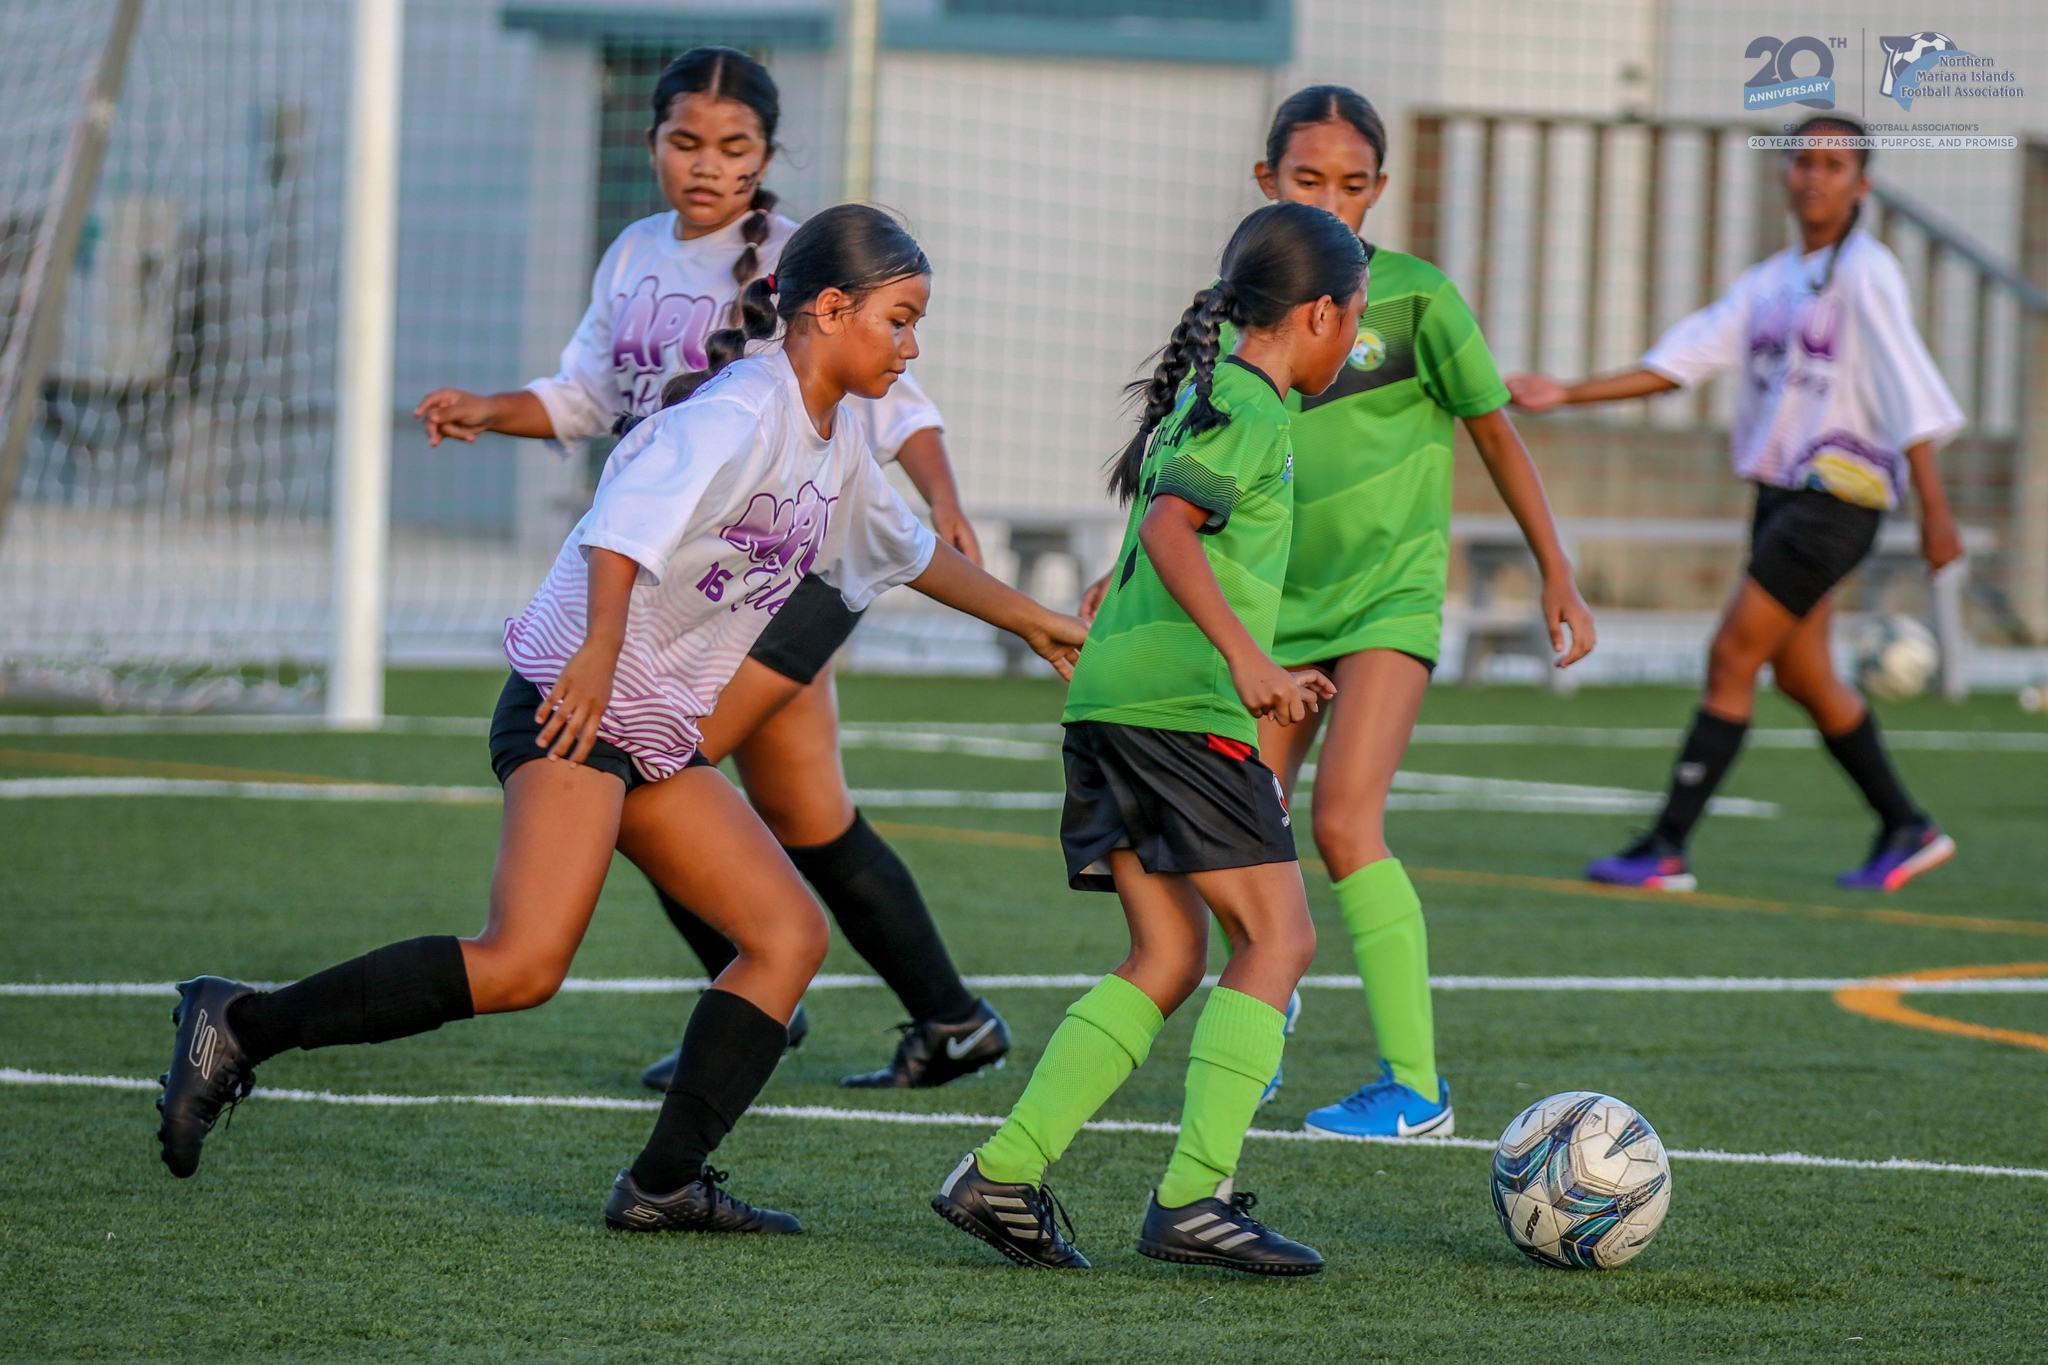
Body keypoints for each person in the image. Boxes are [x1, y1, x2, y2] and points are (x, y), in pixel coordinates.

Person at [155, 207, 1089, 1239]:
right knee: (521, 964)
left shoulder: (841, 445)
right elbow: (621, 519)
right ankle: (240, 1024)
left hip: (650, 733)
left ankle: (662, 1184)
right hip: (575, 706)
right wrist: (599, 649)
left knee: (784, 937)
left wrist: (1038, 622)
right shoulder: (740, 411)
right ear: (829, 310)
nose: (911, 347)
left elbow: (912, 552)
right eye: (899, 320)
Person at [414, 48, 1011, 1090]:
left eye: (734, 148)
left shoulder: (801, 259)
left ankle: (759, 995)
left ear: (768, 156)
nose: (708, 165)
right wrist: (489, 408)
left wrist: (944, 501)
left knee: (649, 770)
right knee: (805, 815)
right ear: (650, 143)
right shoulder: (633, 254)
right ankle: (946, 1019)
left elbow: (898, 411)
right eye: (686, 142)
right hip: (696, 584)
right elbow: (586, 396)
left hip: (787, 573)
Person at [1081, 87, 1596, 1141]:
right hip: (1268, 617)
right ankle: (1259, 1031)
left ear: (1380, 189)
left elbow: (1495, 434)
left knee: (1343, 821)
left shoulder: (1411, 301)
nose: (1331, 200)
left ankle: (1415, 1085)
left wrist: (1556, 568)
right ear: (1264, 181)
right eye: (1307, 180)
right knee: (1245, 836)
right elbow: (1188, 473)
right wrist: (1118, 565)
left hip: (1385, 601)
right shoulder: (1257, 300)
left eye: (1352, 184)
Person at [932, 202, 1365, 1276]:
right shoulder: (1251, 406)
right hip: (1180, 711)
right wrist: (1249, 663)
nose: (1353, 343)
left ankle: (1003, 1172)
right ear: (1318, 314)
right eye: (1353, 322)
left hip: (1113, 703)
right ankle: (1192, 1199)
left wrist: (1239, 651)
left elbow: (1163, 536)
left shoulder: (1201, 401)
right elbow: (1172, 530)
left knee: (1167, 955)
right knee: (1279, 940)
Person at [1508, 113, 1961, 893]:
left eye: (1833, 165)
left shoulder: (1869, 272)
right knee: (1804, 675)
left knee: (1731, 657)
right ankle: (1907, 826)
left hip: (1837, 496)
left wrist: (1936, 508)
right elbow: (1679, 362)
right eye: (1803, 161)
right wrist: (1567, 392)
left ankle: (1666, 847)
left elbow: (1908, 387)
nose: (1814, 176)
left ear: (1862, 185)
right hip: (1781, 498)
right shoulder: (1770, 281)